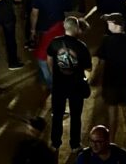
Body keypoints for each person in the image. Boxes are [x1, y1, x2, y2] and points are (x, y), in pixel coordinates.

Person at [90, 13, 126, 150]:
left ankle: (112, 141)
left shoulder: (106, 41)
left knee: (112, 114)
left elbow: (101, 62)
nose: (108, 26)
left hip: (110, 83)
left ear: (116, 24)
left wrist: (96, 77)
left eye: (109, 23)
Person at [46, 16, 92, 153]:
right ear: (77, 28)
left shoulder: (54, 43)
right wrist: (85, 79)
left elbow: (49, 59)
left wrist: (54, 75)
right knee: (76, 116)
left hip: (59, 85)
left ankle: (55, 144)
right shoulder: (81, 47)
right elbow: (88, 69)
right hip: (76, 86)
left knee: (57, 115)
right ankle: (75, 145)